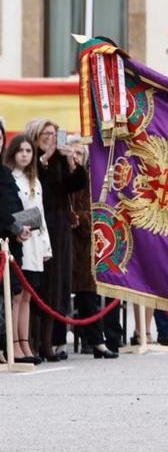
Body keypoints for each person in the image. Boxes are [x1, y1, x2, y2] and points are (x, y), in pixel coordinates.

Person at [25, 119, 87, 362]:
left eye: (54, 133)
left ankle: (49, 342)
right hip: (41, 222)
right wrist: (45, 158)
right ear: (36, 135)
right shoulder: (30, 157)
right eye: (46, 133)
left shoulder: (60, 159)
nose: (50, 137)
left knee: (57, 286)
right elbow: (39, 184)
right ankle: (33, 341)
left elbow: (74, 185)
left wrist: (71, 161)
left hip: (60, 226)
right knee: (40, 283)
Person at [69, 140, 120, 359]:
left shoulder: (93, 179)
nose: (76, 157)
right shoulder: (64, 177)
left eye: (80, 153)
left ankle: (105, 340)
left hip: (91, 245)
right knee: (77, 293)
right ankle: (64, 342)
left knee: (100, 291)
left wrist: (80, 219)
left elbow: (100, 211)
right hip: (66, 244)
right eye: (73, 153)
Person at [4, 134, 50, 364]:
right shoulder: (10, 177)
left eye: (29, 151)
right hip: (18, 240)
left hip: (34, 242)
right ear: (12, 153)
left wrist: (45, 246)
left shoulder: (36, 180)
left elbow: (40, 214)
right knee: (16, 296)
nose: (25, 154)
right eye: (20, 150)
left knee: (28, 298)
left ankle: (25, 342)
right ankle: (15, 344)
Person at [0, 124, 32, 364]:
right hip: (5, 236)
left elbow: (12, 206)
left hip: (10, 242)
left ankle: (8, 347)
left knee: (10, 295)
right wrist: (14, 226)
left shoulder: (3, 172)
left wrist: (20, 228)